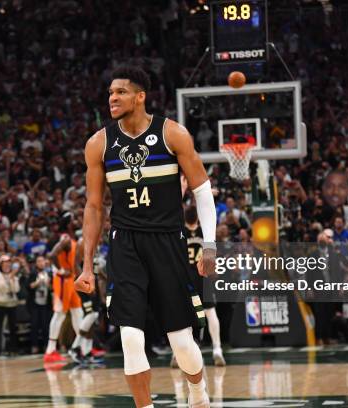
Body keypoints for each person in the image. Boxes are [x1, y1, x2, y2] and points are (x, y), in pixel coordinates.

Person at [74, 67, 216, 408]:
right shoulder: (99, 143)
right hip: (125, 243)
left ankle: (198, 391)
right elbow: (94, 208)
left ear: (140, 97)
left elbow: (202, 189)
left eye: (120, 92)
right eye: (110, 92)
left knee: (182, 344)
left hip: (168, 240)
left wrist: (209, 244)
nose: (112, 98)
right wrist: (87, 266)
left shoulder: (172, 134)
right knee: (130, 338)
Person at [172, 205, 225, 368]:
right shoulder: (205, 232)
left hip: (186, 277)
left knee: (182, 317)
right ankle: (217, 350)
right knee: (210, 313)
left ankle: (176, 354)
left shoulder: (179, 232)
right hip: (203, 276)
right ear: (197, 218)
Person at [42, 234, 84, 362]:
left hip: (71, 280)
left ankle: (82, 346)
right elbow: (51, 255)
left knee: (78, 312)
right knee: (59, 314)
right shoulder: (66, 240)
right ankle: (50, 350)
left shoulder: (75, 243)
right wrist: (60, 270)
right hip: (62, 281)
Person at [0, 254, 20, 355]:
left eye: (8, 263)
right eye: (5, 263)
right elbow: (2, 288)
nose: (7, 265)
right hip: (0, 304)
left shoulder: (13, 275)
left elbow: (16, 289)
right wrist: (10, 278)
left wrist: (11, 278)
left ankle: (13, 349)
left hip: (12, 304)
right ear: (0, 264)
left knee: (13, 328)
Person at [27, 255, 52, 354]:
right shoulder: (33, 273)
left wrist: (47, 284)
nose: (41, 263)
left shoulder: (49, 273)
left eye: (43, 261)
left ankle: (47, 346)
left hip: (46, 303)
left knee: (46, 326)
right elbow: (28, 286)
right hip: (35, 304)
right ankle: (34, 346)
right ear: (36, 263)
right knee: (34, 325)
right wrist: (37, 283)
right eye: (39, 261)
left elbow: (52, 288)